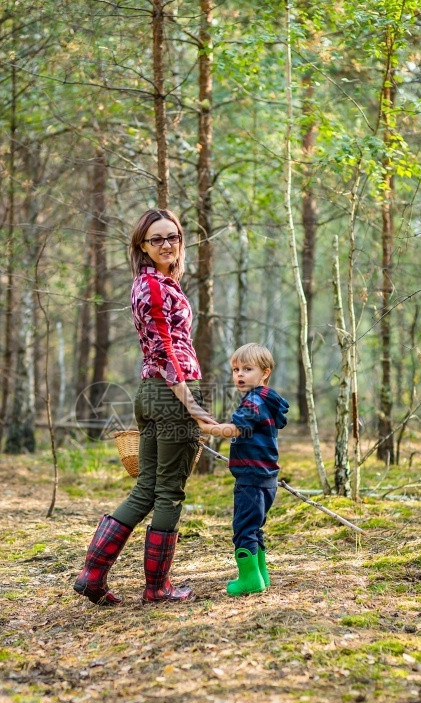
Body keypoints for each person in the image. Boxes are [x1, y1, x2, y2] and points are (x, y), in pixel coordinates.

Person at [74, 208, 216, 606]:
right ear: (142, 246)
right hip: (171, 393)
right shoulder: (153, 287)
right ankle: (157, 588)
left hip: (153, 393)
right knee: (169, 493)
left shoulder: (155, 283)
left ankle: (92, 575)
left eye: (173, 236)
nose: (168, 244)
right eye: (157, 239)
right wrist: (193, 406)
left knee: (147, 488)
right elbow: (164, 349)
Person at [197, 343, 289, 596]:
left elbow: (234, 430)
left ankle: (250, 581)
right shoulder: (266, 401)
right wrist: (216, 425)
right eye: (236, 369)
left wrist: (202, 426)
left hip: (251, 476)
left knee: (244, 529)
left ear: (265, 372)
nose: (239, 374)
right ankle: (261, 576)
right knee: (254, 527)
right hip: (266, 477)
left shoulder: (253, 400)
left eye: (247, 369)